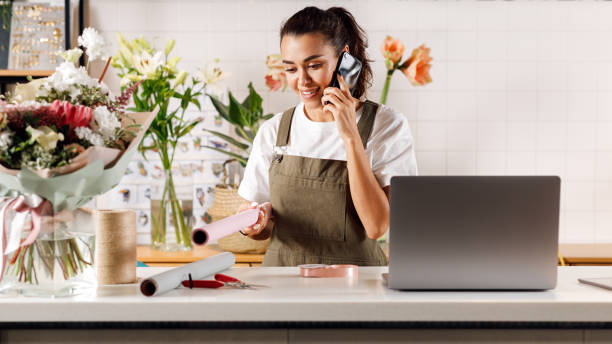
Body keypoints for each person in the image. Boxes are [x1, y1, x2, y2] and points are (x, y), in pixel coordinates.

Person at [236, 6, 417, 266]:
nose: (302, 81)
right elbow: (262, 226)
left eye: (314, 65)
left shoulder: (386, 126)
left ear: (344, 60)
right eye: (291, 69)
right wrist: (254, 225)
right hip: (282, 287)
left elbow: (377, 226)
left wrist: (350, 136)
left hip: (356, 290)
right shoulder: (274, 130)